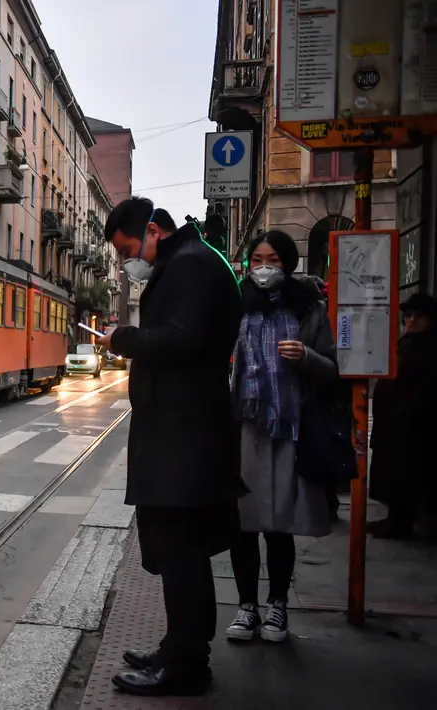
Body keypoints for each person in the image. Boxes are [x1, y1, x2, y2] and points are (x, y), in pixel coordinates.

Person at [93, 196, 244, 696]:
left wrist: (123, 339)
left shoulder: (192, 266)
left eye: (129, 248)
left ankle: (186, 667)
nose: (126, 260)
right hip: (178, 430)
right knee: (179, 552)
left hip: (186, 435)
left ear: (155, 230)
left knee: (183, 554)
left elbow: (183, 338)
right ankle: (177, 648)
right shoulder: (186, 262)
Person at [226, 231, 338, 644]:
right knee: (243, 523)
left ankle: (277, 606)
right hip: (244, 426)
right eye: (257, 259)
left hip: (289, 427)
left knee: (279, 525)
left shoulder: (308, 306)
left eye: (272, 258)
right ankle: (246, 606)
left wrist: (305, 357)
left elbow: (332, 368)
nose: (264, 267)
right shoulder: (235, 304)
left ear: (287, 262)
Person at [367, 292, 437, 539]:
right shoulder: (408, 342)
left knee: (405, 474)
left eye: (419, 317)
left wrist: (405, 411)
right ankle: (394, 518)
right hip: (395, 420)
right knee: (393, 471)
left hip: (411, 423)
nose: (412, 321)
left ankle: (402, 521)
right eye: (408, 316)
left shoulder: (429, 347)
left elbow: (425, 387)